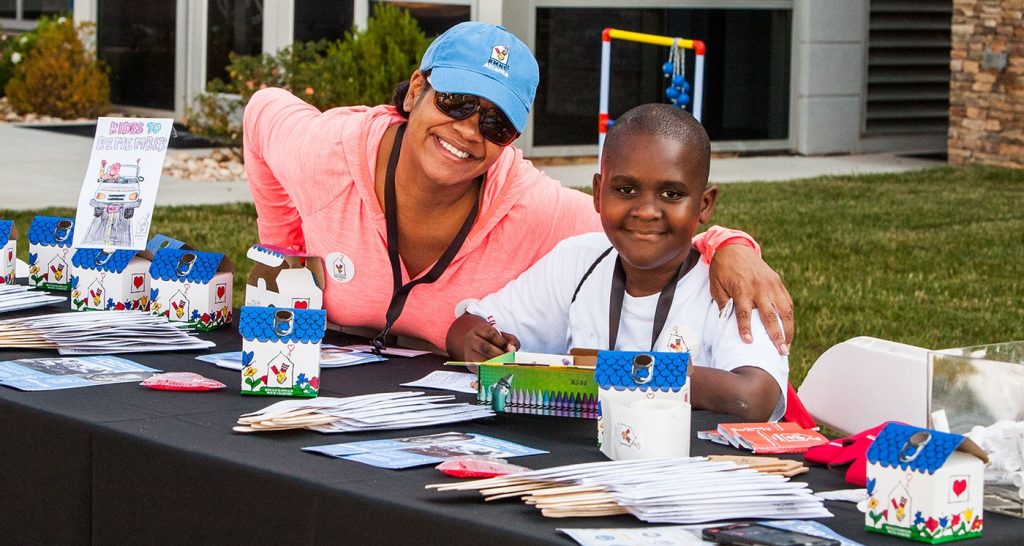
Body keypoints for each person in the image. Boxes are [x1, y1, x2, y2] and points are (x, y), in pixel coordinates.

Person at [244, 21, 793, 355]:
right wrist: (287, 260)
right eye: (456, 102)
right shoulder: (327, 152)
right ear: (416, 90)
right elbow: (261, 110)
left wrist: (728, 246)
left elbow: (640, 222)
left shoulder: (531, 206)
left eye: (494, 123)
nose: (466, 130)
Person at [446, 104, 785, 421]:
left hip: (690, 468)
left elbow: (755, 396)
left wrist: (608, 373)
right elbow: (468, 324)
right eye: (625, 190)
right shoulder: (577, 260)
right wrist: (476, 342)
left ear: (705, 204)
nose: (646, 211)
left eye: (671, 194)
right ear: (597, 192)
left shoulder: (730, 287)